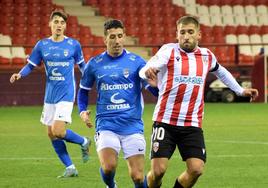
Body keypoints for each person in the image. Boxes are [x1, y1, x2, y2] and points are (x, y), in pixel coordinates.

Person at [139, 15, 259, 188]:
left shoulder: (206, 56)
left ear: (199, 35)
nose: (186, 36)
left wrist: (240, 90)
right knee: (158, 172)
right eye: (182, 32)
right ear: (177, 35)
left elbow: (222, 72)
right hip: (165, 121)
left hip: (192, 123)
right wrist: (149, 71)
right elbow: (144, 70)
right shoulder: (168, 51)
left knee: (196, 169)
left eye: (190, 32)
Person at [9, 10, 91, 178]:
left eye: (62, 22)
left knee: (58, 130)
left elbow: (83, 66)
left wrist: (90, 78)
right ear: (50, 24)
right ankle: (70, 167)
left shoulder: (73, 45)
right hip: (50, 95)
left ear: (65, 26)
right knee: (50, 133)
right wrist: (19, 74)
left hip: (67, 93)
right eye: (56, 22)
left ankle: (84, 141)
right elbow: (30, 65)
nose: (59, 25)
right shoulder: (42, 45)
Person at [77, 19, 158, 188]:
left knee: (137, 176)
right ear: (105, 39)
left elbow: (153, 90)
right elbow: (83, 90)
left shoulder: (137, 62)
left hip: (132, 125)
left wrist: (156, 88)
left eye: (120, 36)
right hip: (106, 125)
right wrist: (82, 111)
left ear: (124, 37)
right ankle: (111, 185)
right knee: (108, 167)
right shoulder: (94, 64)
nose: (117, 41)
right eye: (112, 37)